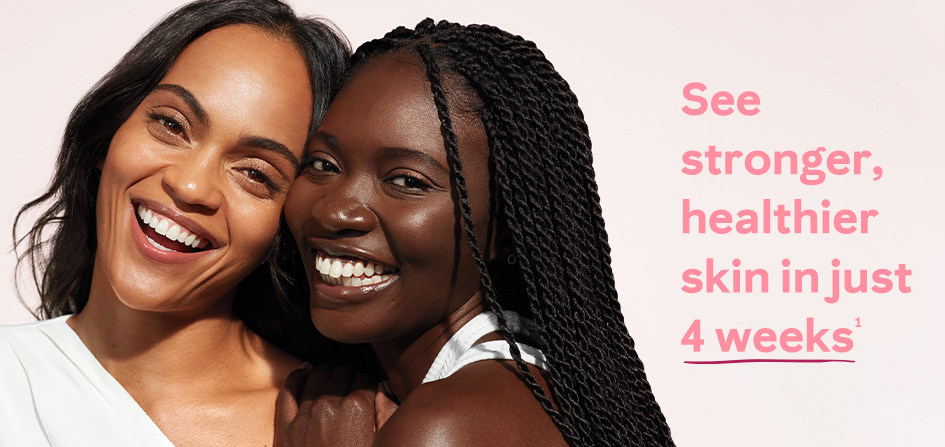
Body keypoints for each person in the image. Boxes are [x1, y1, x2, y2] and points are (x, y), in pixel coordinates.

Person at [282, 18, 675, 447]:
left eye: (407, 181)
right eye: (322, 164)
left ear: (503, 230)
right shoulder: (524, 383)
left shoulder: (447, 427)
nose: (335, 210)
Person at [0, 0, 349, 445]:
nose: (190, 186)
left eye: (256, 173)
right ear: (110, 132)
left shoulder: (339, 423)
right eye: (171, 124)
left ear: (285, 227)